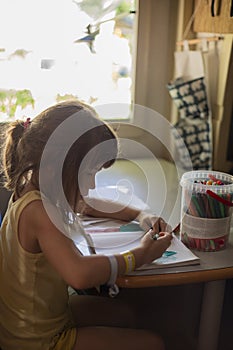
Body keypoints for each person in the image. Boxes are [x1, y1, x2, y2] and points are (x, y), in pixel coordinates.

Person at [0, 100, 172, 350]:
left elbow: (88, 203)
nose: (90, 185)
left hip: (37, 318)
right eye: (88, 173)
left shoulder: (33, 189)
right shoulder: (40, 211)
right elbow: (79, 275)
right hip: (37, 341)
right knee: (153, 343)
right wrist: (141, 255)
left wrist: (141, 214)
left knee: (126, 314)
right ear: (57, 166)